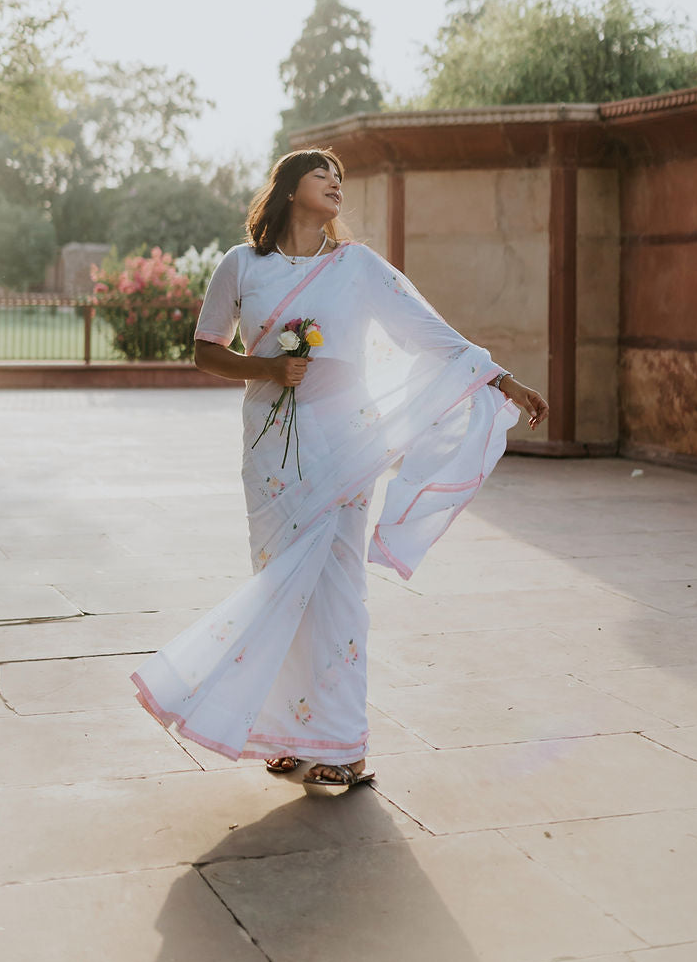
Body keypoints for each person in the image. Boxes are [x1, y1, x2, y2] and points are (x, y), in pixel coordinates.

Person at [130, 147, 548, 793]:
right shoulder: (241, 266)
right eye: (322, 173)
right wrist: (268, 367)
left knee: (337, 587)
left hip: (347, 441)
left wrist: (503, 380)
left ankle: (344, 745)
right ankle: (287, 735)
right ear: (290, 186)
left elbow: (427, 330)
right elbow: (204, 351)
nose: (335, 185)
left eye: (340, 179)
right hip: (271, 451)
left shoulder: (357, 269)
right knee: (280, 585)